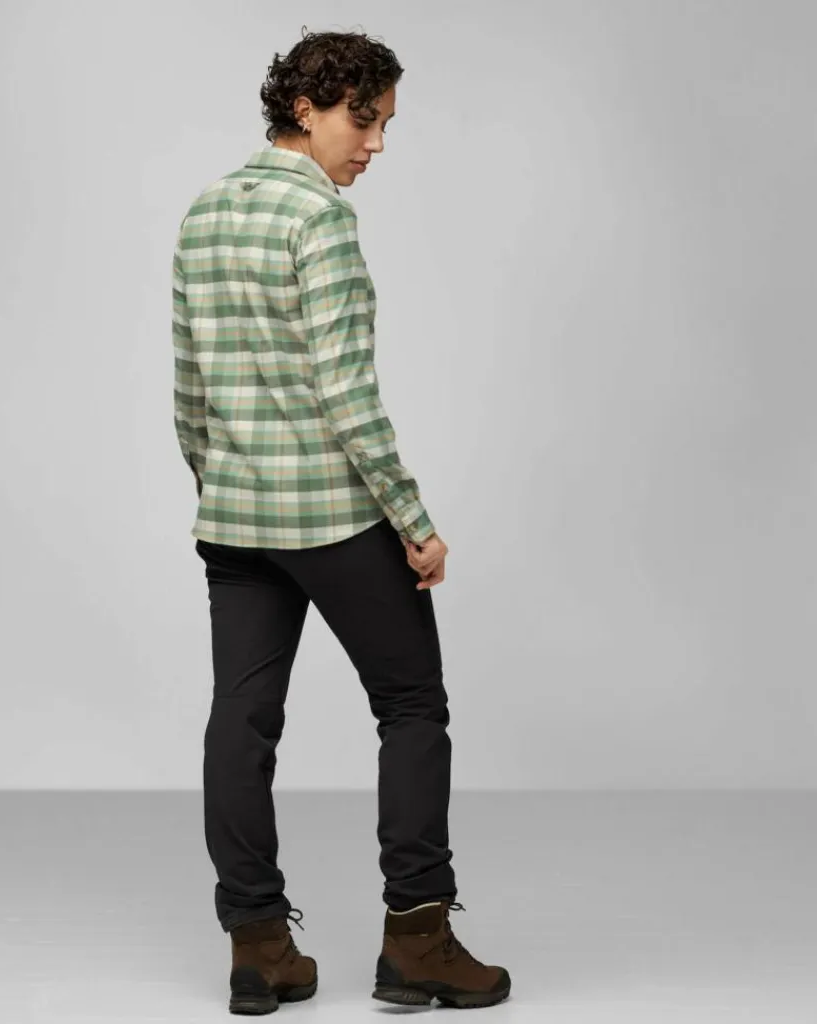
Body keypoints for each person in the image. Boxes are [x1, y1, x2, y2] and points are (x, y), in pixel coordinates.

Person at [171, 27, 511, 1015]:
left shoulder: (204, 212)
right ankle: (418, 942)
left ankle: (257, 949)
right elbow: (348, 396)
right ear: (305, 108)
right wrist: (413, 521)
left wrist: (223, 485)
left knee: (240, 721)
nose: (375, 143)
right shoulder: (319, 220)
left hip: (235, 518)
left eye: (385, 123)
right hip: (330, 515)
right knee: (411, 708)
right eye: (363, 120)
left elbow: (188, 390)